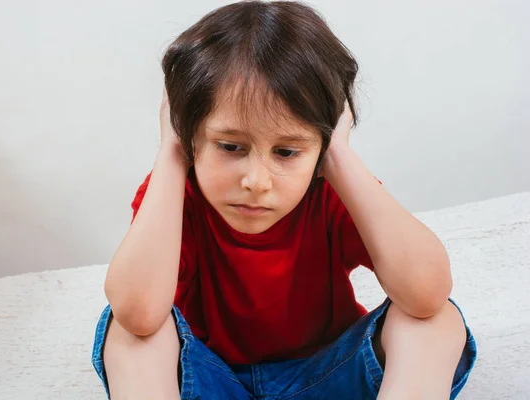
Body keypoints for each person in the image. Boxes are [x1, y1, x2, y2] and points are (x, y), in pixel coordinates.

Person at [91, 1, 477, 399]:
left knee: (436, 320)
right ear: (191, 138)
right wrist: (171, 156)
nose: (256, 182)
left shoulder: (331, 188)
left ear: (321, 148)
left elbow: (427, 291)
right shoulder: (177, 195)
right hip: (210, 381)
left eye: (287, 152)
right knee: (127, 333)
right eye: (230, 146)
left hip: (327, 377)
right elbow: (137, 311)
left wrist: (339, 157)